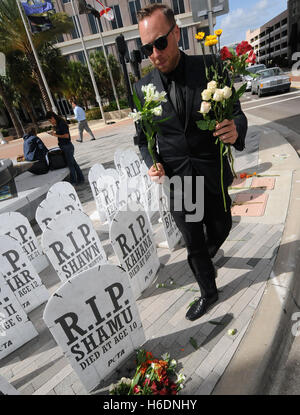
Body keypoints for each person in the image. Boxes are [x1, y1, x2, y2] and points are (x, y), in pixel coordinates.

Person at [135, 4, 248, 321]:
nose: (155, 54)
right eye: (147, 48)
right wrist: (151, 160)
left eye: (160, 43)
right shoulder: (141, 89)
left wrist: (234, 128)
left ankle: (211, 249)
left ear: (176, 33)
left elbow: (237, 112)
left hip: (211, 171)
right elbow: (140, 136)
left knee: (221, 226)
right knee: (193, 241)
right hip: (178, 179)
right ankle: (208, 292)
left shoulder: (211, 67)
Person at [45, 111, 85, 185]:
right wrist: (54, 129)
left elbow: (66, 136)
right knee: (74, 164)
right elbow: (59, 132)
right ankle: (81, 179)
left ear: (53, 117)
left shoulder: (62, 123)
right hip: (64, 146)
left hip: (67, 146)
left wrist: (55, 135)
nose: (50, 122)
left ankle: (73, 182)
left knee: (71, 165)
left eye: (50, 120)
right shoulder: (58, 124)